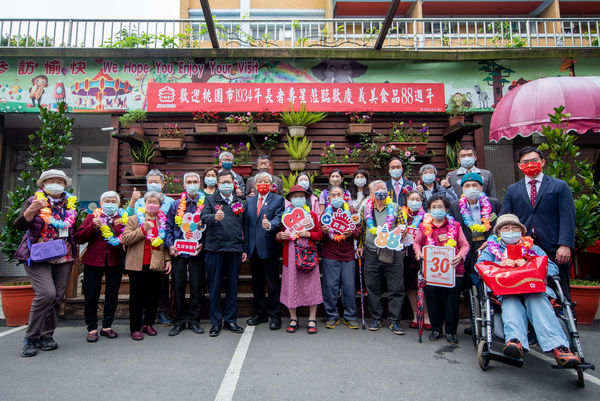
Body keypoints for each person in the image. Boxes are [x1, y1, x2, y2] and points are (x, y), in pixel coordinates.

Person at [476, 214, 581, 367]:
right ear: (499, 233)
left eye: (514, 228)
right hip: (507, 290)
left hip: (533, 290)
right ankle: (515, 341)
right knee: (511, 301)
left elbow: (552, 268)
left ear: (521, 231)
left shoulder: (533, 248)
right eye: (506, 228)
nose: (510, 231)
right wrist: (500, 264)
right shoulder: (492, 249)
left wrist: (528, 264)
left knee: (536, 300)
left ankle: (560, 347)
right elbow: (479, 267)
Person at [15, 169, 78, 357]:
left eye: (60, 181)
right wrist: (31, 210)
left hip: (63, 256)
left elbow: (73, 230)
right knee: (46, 294)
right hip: (38, 255)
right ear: (43, 184)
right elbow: (19, 226)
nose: (56, 184)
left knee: (57, 297)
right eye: (52, 181)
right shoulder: (34, 201)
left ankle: (46, 335)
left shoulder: (70, 205)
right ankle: (31, 337)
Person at [500, 146, 575, 300]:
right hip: (524, 249)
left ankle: (567, 318)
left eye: (534, 160)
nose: (530, 164)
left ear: (542, 161)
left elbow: (568, 216)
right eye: (525, 162)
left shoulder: (559, 186)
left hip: (554, 247)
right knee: (528, 287)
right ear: (520, 166)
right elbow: (504, 218)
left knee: (560, 288)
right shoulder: (513, 190)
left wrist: (565, 244)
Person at [413, 195, 470, 344]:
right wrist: (418, 253)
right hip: (431, 273)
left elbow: (465, 245)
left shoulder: (455, 226)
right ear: (429, 210)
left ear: (446, 209)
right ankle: (436, 328)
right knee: (433, 301)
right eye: (434, 207)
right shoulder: (423, 227)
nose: (437, 210)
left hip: (453, 272)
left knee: (452, 302)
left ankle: (451, 331)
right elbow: (417, 243)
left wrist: (460, 255)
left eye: (440, 207)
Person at [201, 170, 248, 337]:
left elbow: (246, 227)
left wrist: (244, 249)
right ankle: (215, 322)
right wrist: (215, 217)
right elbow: (203, 217)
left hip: (234, 249)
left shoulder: (240, 201)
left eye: (229, 182)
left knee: (232, 287)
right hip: (215, 250)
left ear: (234, 183)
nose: (226, 185)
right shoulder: (210, 199)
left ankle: (230, 320)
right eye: (223, 182)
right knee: (214, 287)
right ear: (218, 184)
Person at [356, 180, 407, 335]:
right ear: (371, 192)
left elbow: (403, 227)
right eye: (376, 188)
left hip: (392, 251)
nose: (380, 190)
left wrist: (399, 233)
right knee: (372, 287)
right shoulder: (365, 209)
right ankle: (376, 318)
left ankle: (394, 320)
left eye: (383, 188)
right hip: (371, 252)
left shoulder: (396, 208)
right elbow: (364, 230)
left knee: (396, 287)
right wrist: (361, 245)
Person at [75, 191, 126, 342]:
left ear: (118, 204)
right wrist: (93, 226)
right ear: (101, 203)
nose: (110, 203)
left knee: (112, 295)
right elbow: (79, 237)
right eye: (106, 201)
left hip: (115, 262)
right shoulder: (92, 217)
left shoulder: (122, 219)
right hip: (93, 261)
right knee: (91, 295)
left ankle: (107, 326)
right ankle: (91, 327)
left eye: (113, 201)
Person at [126, 169, 175, 325]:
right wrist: (133, 201)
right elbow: (127, 221)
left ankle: (160, 313)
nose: (153, 184)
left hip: (160, 249)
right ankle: (140, 318)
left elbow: (170, 226)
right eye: (150, 181)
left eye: (156, 181)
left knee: (159, 287)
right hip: (139, 250)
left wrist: (168, 257)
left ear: (163, 184)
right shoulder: (140, 201)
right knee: (139, 290)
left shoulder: (171, 202)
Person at [121, 191, 172, 341]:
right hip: (137, 263)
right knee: (136, 297)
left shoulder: (162, 221)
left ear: (160, 206)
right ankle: (135, 327)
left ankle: (148, 323)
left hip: (156, 263)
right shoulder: (134, 219)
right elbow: (125, 239)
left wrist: (168, 260)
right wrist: (143, 229)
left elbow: (165, 244)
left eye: (155, 202)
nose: (152, 205)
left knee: (153, 295)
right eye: (149, 201)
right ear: (144, 203)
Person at [277, 185, 323, 334]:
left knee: (312, 285)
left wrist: (309, 235)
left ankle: (312, 318)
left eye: (301, 196)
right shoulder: (285, 216)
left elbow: (319, 234)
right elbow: (278, 236)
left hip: (308, 254)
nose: (298, 199)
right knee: (291, 285)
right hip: (290, 254)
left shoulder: (312, 216)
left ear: (306, 198)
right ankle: (293, 318)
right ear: (290, 200)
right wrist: (279, 236)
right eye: (295, 196)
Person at [165, 172, 207, 336]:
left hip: (197, 252)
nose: (192, 184)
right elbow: (168, 227)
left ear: (200, 184)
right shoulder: (176, 205)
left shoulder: (205, 204)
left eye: (194, 181)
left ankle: (194, 320)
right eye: (188, 182)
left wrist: (203, 243)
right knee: (178, 286)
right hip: (178, 253)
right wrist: (170, 246)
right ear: (184, 185)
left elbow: (208, 228)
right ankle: (179, 320)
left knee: (197, 286)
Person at [244, 172, 285, 330]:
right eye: (260, 181)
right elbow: (246, 226)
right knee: (257, 283)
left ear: (271, 184)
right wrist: (245, 247)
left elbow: (279, 217)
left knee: (273, 284)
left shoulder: (278, 199)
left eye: (266, 181)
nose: (263, 183)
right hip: (253, 249)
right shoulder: (249, 202)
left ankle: (275, 316)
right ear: (254, 185)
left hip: (269, 247)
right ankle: (260, 314)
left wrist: (270, 225)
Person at [449, 173, 501, 289]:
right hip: (468, 245)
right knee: (471, 279)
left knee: (490, 276)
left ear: (481, 188)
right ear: (462, 189)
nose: (471, 189)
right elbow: (452, 228)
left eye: (474, 185)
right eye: (467, 186)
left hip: (488, 244)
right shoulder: (455, 206)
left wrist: (491, 239)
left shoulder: (493, 203)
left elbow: (500, 224)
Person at [321, 186, 362, 329]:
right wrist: (325, 232)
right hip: (330, 255)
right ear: (329, 198)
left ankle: (350, 317)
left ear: (344, 196)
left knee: (349, 287)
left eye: (339, 194)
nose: (336, 197)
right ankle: (331, 316)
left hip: (348, 256)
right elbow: (320, 235)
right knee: (330, 287)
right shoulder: (325, 214)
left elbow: (359, 231)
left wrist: (352, 233)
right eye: (333, 195)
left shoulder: (351, 211)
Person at [400, 190, 431, 330]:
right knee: (410, 286)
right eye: (412, 198)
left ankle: (426, 316)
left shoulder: (427, 217)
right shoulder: (401, 215)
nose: (414, 201)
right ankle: (415, 314)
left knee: (423, 285)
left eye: (417, 199)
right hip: (405, 254)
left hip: (422, 254)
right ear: (406, 201)